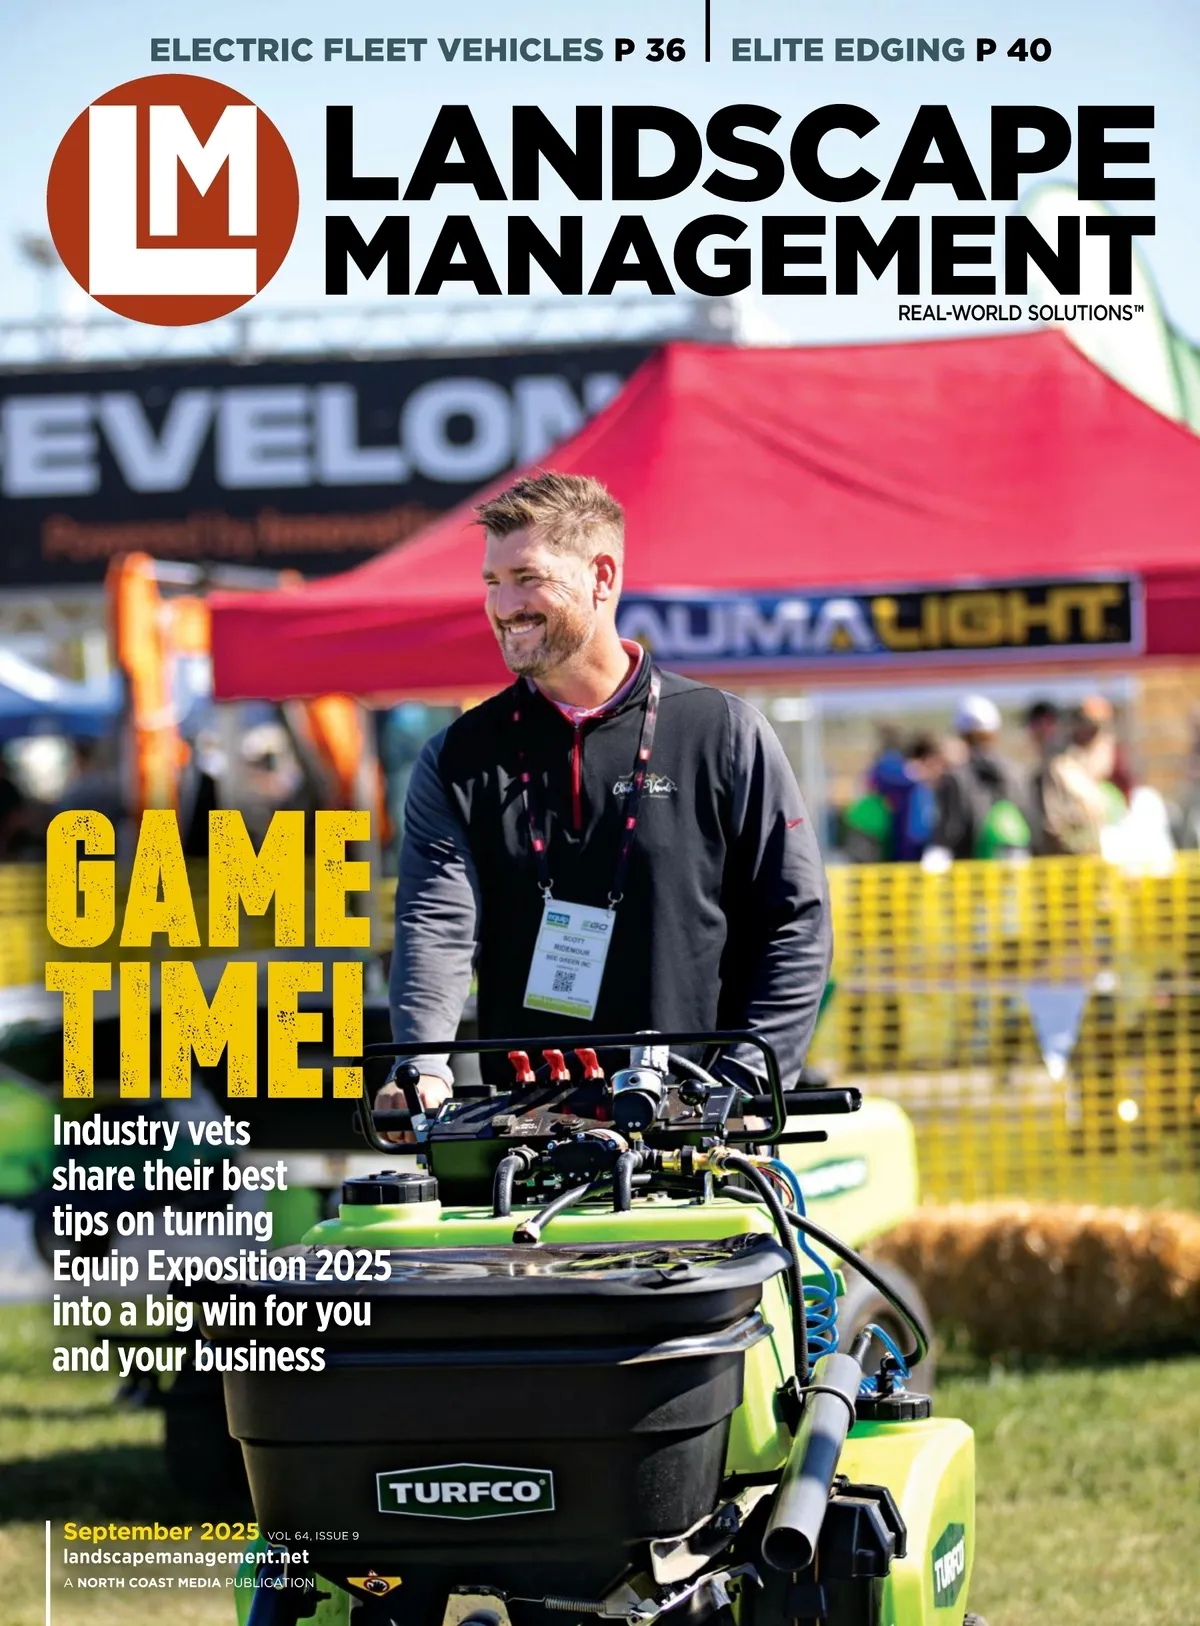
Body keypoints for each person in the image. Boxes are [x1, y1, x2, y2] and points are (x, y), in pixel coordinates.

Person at [378, 471, 831, 1123]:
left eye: (527, 578)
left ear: (602, 577)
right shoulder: (457, 757)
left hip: (698, 1126)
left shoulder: (722, 731)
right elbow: (437, 923)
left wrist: (745, 1081)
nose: (505, 606)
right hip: (525, 1128)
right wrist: (422, 1065)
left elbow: (794, 921)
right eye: (492, 582)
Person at [932, 695, 1029, 860]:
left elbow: (949, 833)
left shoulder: (955, 779)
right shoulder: (1017, 773)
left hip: (971, 870)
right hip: (1016, 869)